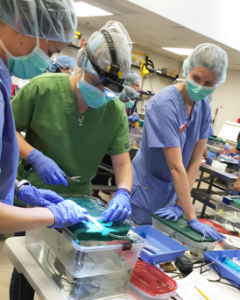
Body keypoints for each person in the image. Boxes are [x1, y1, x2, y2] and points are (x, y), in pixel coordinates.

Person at [12, 20, 133, 221]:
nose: (101, 92)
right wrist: (34, 156)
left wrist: (123, 192)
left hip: (79, 200)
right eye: (96, 81)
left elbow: (122, 164)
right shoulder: (42, 88)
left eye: (109, 88)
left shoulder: (115, 111)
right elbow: (7, 130)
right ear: (83, 62)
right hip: (33, 192)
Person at [130, 43, 228, 241]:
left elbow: (194, 160)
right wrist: (192, 217)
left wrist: (179, 205)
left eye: (208, 84)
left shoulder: (204, 107)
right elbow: (175, 166)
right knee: (132, 250)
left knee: (157, 249)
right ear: (188, 69)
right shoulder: (165, 104)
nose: (200, 87)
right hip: (145, 192)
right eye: (196, 78)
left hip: (171, 194)